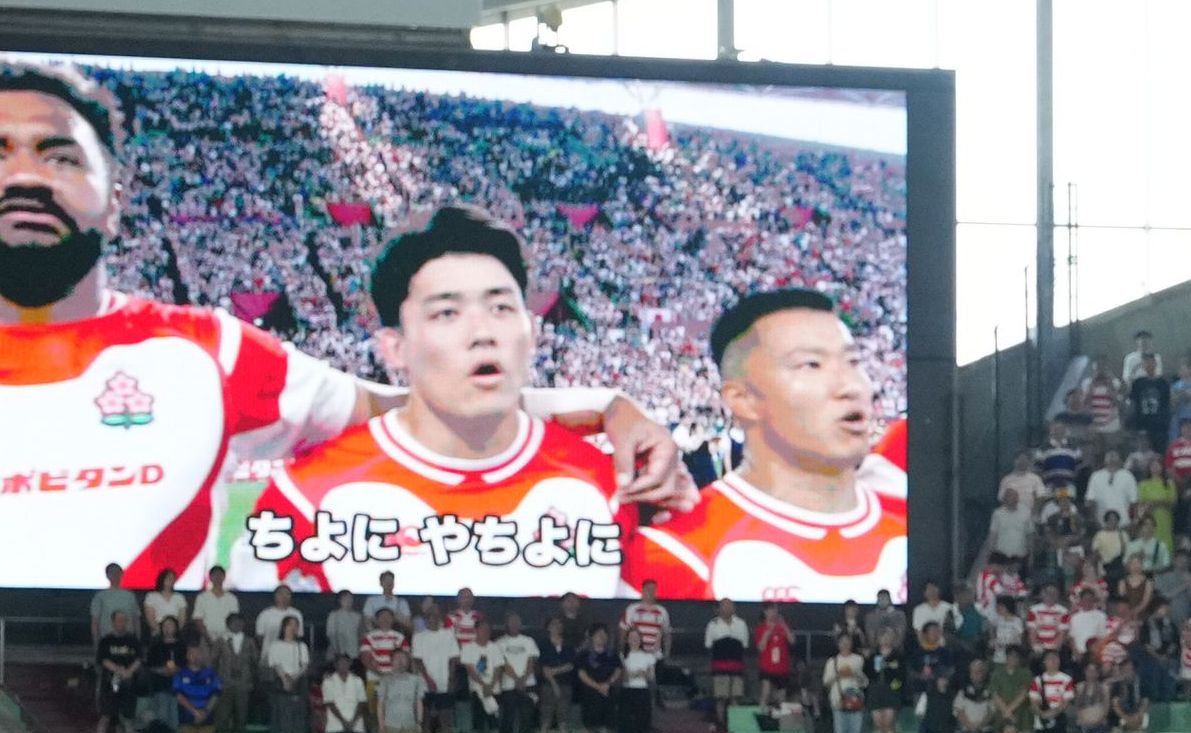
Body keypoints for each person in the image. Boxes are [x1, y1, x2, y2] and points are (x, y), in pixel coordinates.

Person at [0, 60, 684, 588]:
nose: (26, 176)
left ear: (114, 200)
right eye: (1, 151)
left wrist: (607, 407)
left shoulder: (210, 350)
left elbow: (415, 406)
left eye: (59, 156)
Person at [231, 205, 628, 595]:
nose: (483, 332)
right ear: (394, 347)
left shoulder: (607, 491)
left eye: (501, 307)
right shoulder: (306, 503)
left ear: (532, 330)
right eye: (447, 313)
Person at [623, 287, 907, 603]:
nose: (851, 386)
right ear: (742, 399)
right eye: (811, 365)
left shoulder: (915, 525)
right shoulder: (674, 551)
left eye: (854, 362)